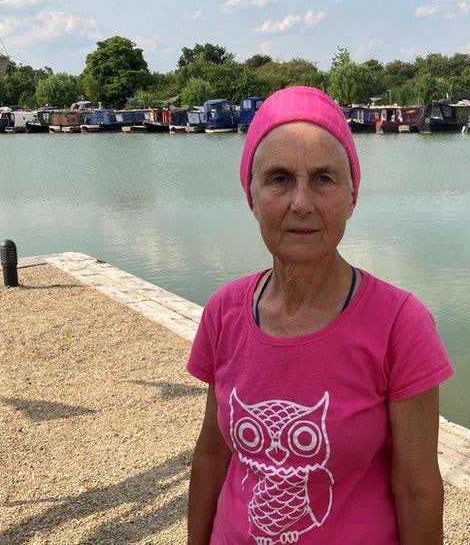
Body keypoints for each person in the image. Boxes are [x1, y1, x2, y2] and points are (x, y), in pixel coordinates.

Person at [186, 86, 453, 545]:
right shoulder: (224, 312)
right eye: (280, 178)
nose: (302, 203)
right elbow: (212, 456)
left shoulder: (398, 324)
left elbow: (416, 490)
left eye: (324, 178)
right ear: (251, 196)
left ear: (352, 196)